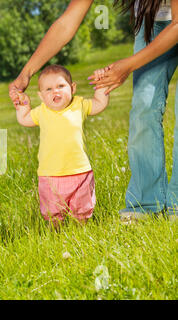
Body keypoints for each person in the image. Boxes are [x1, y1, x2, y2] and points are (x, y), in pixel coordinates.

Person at [9, 0, 178, 223]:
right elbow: (67, 23)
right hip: (152, 24)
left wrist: (128, 65)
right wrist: (27, 72)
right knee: (143, 108)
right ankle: (146, 205)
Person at [15, 65, 110, 228]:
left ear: (72, 88)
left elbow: (99, 103)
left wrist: (102, 85)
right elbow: (24, 118)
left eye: (60, 86)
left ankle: (81, 232)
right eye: (48, 89)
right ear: (41, 95)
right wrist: (23, 104)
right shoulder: (41, 112)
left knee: (81, 210)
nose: (55, 92)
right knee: (52, 213)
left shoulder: (79, 105)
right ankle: (55, 234)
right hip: (50, 174)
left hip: (80, 172)